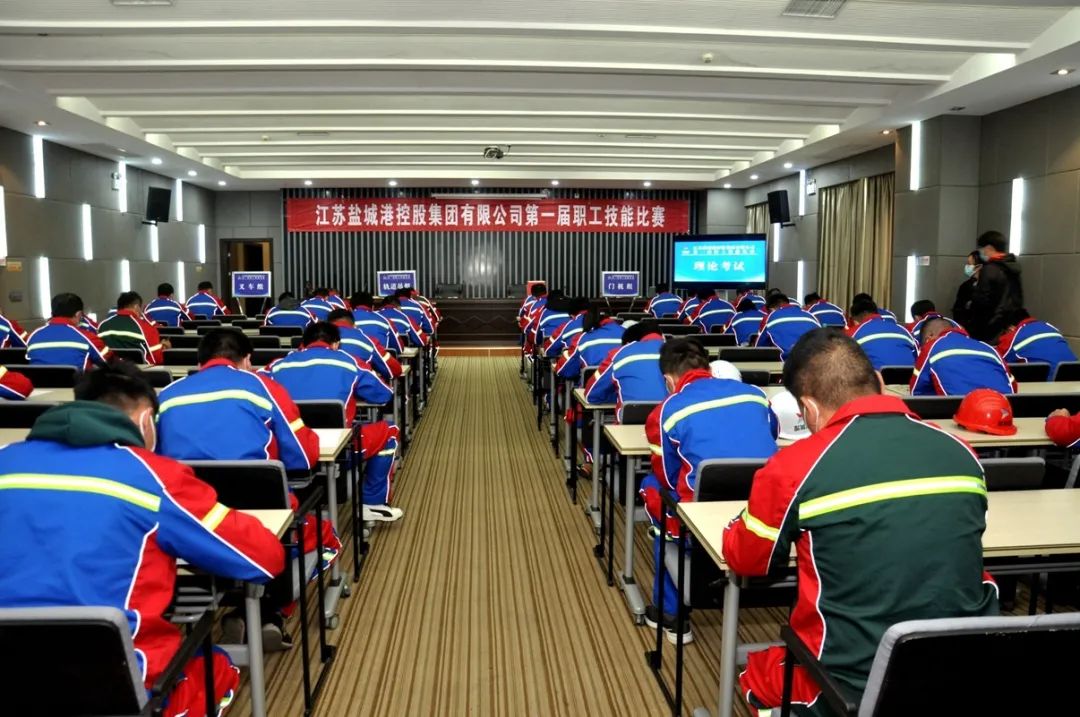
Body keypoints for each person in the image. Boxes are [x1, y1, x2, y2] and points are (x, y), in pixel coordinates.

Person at [722, 328, 999, 715]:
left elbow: (748, 559)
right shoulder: (961, 451)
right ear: (881, 382)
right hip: (963, 665)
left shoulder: (795, 467)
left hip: (849, 682)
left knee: (757, 675)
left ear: (808, 408)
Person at [0, 362, 286, 717]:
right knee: (218, 667)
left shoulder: (5, 459)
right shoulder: (153, 476)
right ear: (147, 420)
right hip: (116, 687)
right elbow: (263, 558)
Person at [639, 339, 778, 644]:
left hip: (701, 517)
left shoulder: (666, 411)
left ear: (668, 380)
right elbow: (772, 438)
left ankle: (672, 614)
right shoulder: (756, 395)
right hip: (764, 510)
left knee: (653, 489)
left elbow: (667, 476)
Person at [262, 322, 402, 522]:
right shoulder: (350, 362)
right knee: (389, 432)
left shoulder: (277, 365)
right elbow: (383, 395)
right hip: (341, 451)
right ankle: (372, 503)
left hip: (288, 452)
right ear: (336, 344)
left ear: (303, 343)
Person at [585, 320, 667, 421]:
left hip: (631, 421)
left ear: (628, 343)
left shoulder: (619, 354)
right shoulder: (681, 354)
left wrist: (619, 394)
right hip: (669, 423)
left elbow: (591, 394)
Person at [911, 318, 1016, 396]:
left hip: (960, 410)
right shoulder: (989, 349)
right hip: (1003, 410)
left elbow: (917, 391)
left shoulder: (931, 347)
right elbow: (1012, 385)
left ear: (929, 337)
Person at [26, 293, 112, 370]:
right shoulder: (87, 338)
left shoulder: (33, 336)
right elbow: (110, 362)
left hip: (39, 383)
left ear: (52, 313)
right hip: (78, 383)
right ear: (78, 314)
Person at [968, 230, 1023, 343]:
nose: (982, 252)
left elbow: (981, 302)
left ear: (989, 248)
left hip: (989, 331)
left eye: (982, 248)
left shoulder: (990, 270)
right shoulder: (1012, 268)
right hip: (1008, 329)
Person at [995, 309, 1076, 376]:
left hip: (1044, 384)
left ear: (1011, 328)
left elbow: (995, 361)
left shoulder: (1014, 336)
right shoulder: (1051, 328)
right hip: (1073, 379)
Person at [327, 308, 401, 381]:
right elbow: (394, 370)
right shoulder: (368, 340)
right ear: (354, 325)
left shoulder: (321, 339)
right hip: (358, 385)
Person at [846, 295, 916, 370]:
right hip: (908, 376)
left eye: (854, 320)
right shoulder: (904, 330)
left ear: (863, 314)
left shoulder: (853, 333)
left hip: (875, 376)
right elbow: (916, 356)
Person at [98, 291, 167, 366]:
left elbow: (99, 354)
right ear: (136, 307)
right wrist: (163, 347)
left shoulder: (102, 326)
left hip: (109, 371)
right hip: (138, 371)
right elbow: (157, 359)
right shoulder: (146, 327)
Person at [555, 308, 626, 380]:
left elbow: (565, 370)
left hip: (592, 384)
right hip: (622, 382)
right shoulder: (626, 333)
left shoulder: (581, 339)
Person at [755, 293, 821, 360]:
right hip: (816, 359)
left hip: (787, 361)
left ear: (771, 309)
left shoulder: (769, 317)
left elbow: (759, 348)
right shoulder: (811, 316)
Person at [953, 250, 982, 332]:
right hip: (967, 329)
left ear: (978, 266)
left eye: (969, 264)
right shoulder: (965, 286)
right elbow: (958, 309)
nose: (967, 266)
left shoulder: (989, 286)